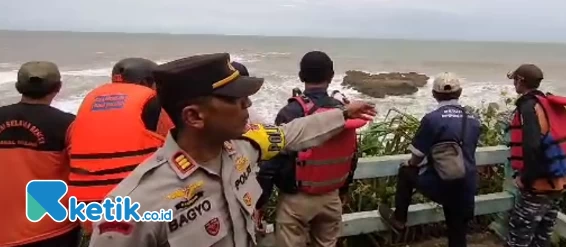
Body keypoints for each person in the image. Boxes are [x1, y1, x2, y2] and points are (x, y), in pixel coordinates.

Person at [87, 52, 376, 247]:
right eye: (234, 99)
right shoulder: (132, 206)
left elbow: (291, 134)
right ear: (194, 116)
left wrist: (343, 113)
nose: (247, 105)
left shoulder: (243, 149)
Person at [256, 50, 361, 247]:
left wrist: (260, 202)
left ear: (301, 76)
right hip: (331, 197)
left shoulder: (291, 112)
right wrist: (344, 190)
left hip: (296, 200)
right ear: (331, 76)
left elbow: (272, 162)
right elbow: (352, 155)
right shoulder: (344, 112)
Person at [378, 72, 481, 247]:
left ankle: (399, 219)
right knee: (458, 235)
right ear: (460, 92)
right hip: (466, 185)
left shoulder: (432, 119)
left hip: (440, 184)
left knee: (406, 172)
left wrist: (411, 165)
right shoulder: (473, 120)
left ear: (434, 94)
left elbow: (417, 156)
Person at [67, 58, 175, 207]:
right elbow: (178, 140)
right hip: (133, 199)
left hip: (82, 203)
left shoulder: (90, 99)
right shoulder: (151, 100)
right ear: (145, 82)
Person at [0, 61, 80, 247]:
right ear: (58, 87)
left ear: (18, 86)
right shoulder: (69, 124)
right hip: (51, 229)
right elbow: (83, 172)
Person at [505, 64, 566, 247]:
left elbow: (531, 146)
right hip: (557, 181)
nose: (514, 83)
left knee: (519, 237)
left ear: (521, 81)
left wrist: (527, 180)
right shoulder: (548, 104)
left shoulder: (529, 107)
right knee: (541, 238)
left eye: (515, 79)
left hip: (537, 185)